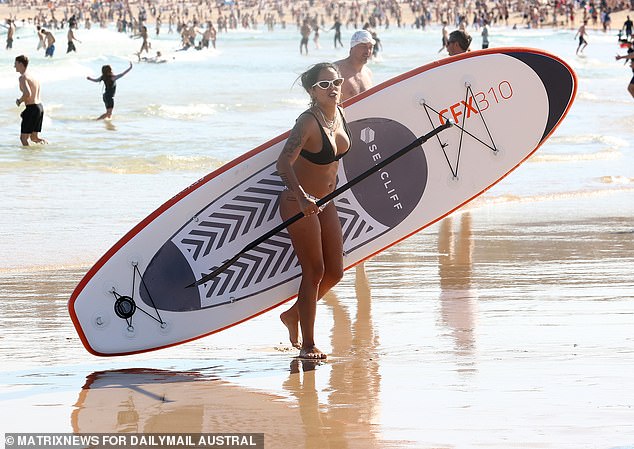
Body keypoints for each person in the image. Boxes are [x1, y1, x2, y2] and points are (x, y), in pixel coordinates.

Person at [277, 62, 352, 360]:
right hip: (299, 203)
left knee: (336, 271)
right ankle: (308, 344)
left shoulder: (340, 114)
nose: (333, 88)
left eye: (336, 82)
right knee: (315, 270)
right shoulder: (307, 122)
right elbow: (283, 163)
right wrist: (302, 195)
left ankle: (293, 315)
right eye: (325, 85)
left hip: (326, 202)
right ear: (312, 91)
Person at [14, 55, 47, 146]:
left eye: (15, 64)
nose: (14, 66)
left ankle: (27, 159)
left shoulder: (23, 77)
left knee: (23, 138)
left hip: (32, 108)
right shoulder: (33, 77)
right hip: (39, 107)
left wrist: (19, 101)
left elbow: (27, 93)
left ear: (21, 64)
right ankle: (46, 148)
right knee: (34, 138)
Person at [334, 30, 375, 102]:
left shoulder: (368, 73)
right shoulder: (336, 70)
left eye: (370, 47)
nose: (368, 51)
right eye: (363, 46)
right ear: (352, 48)